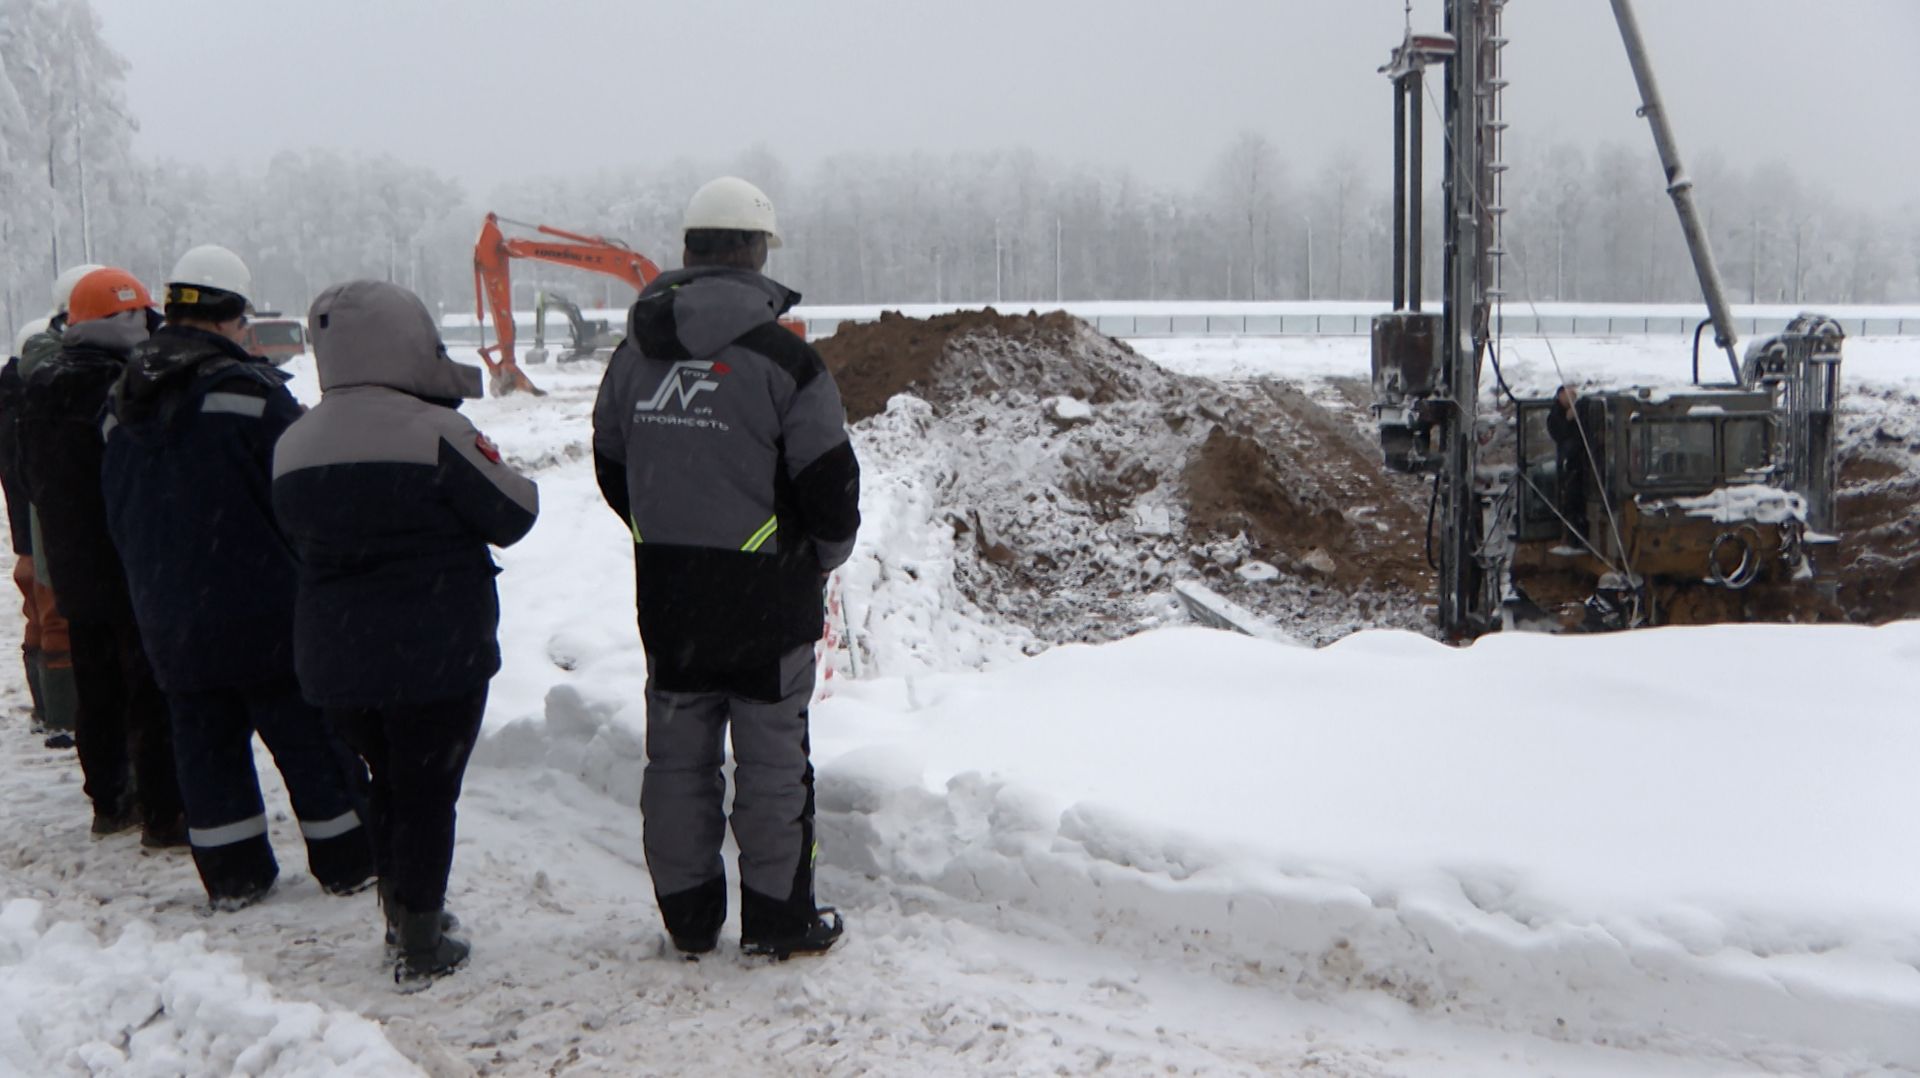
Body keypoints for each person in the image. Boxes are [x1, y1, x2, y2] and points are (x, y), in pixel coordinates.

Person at [591, 176, 861, 960]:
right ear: (755, 253)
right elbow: (831, 492)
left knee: (676, 756)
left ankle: (688, 918)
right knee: (773, 762)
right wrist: (815, 558)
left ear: (689, 250)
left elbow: (614, 466)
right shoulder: (787, 361)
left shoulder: (632, 356)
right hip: (766, 600)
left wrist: (667, 531)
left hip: (670, 595)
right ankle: (779, 922)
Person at [272, 279, 537, 990]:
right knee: (425, 789)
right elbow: (514, 513)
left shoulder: (292, 443)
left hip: (334, 655)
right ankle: (420, 935)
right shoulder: (441, 435)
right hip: (437, 653)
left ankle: (399, 908)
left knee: (383, 779)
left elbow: (288, 536)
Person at [101, 245, 375, 909]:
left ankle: (233, 874)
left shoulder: (121, 402)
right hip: (260, 607)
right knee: (311, 743)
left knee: (204, 746)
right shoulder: (250, 395)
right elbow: (306, 488)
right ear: (230, 315)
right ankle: (349, 860)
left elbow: (114, 508)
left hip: (166, 612)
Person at [19, 268, 186, 845]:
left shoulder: (41, 384)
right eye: (138, 316)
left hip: (74, 561)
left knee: (98, 686)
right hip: (130, 559)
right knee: (149, 689)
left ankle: (111, 800)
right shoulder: (123, 386)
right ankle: (165, 814)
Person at [3, 318, 77, 749]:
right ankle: (63, 717)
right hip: (41, 535)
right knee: (55, 624)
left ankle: (50, 710)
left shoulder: (14, 406)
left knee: (41, 620)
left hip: (28, 539)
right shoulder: (30, 412)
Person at [1546, 385, 1592, 544]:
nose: (1572, 398)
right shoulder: (1555, 415)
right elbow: (1559, 435)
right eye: (1569, 395)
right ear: (1560, 396)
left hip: (1584, 463)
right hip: (1568, 465)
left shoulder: (1581, 409)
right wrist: (1567, 419)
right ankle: (1573, 538)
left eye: (1573, 395)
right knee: (1571, 501)